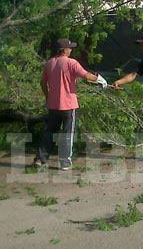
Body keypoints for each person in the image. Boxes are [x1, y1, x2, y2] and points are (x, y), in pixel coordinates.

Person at [37, 38, 107, 170]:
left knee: (49, 132)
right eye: (69, 48)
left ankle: (41, 159)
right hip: (69, 105)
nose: (71, 50)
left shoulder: (50, 62)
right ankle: (65, 162)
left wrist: (48, 96)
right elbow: (86, 75)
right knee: (68, 134)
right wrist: (100, 79)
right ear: (64, 49)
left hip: (53, 105)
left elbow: (42, 82)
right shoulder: (71, 63)